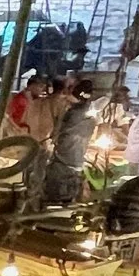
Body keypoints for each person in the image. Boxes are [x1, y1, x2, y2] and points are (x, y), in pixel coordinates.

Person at [45, 77, 100, 208]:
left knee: (57, 198)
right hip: (76, 161)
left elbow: (58, 135)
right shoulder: (89, 114)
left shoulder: (75, 114)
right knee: (69, 198)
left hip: (64, 162)